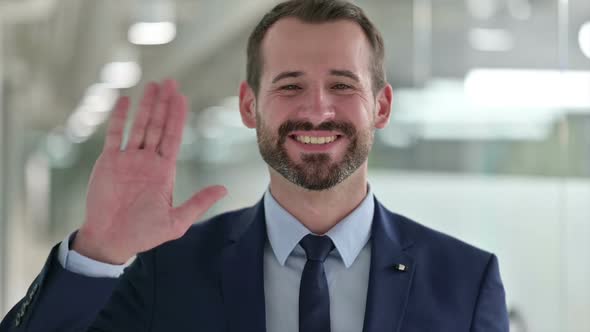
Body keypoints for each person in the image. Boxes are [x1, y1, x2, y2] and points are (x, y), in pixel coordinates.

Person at [0, 0, 509, 331]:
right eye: (289, 86)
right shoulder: (167, 272)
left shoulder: (465, 282)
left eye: (342, 85)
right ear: (249, 106)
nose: (316, 109)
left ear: (381, 105)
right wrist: (99, 251)